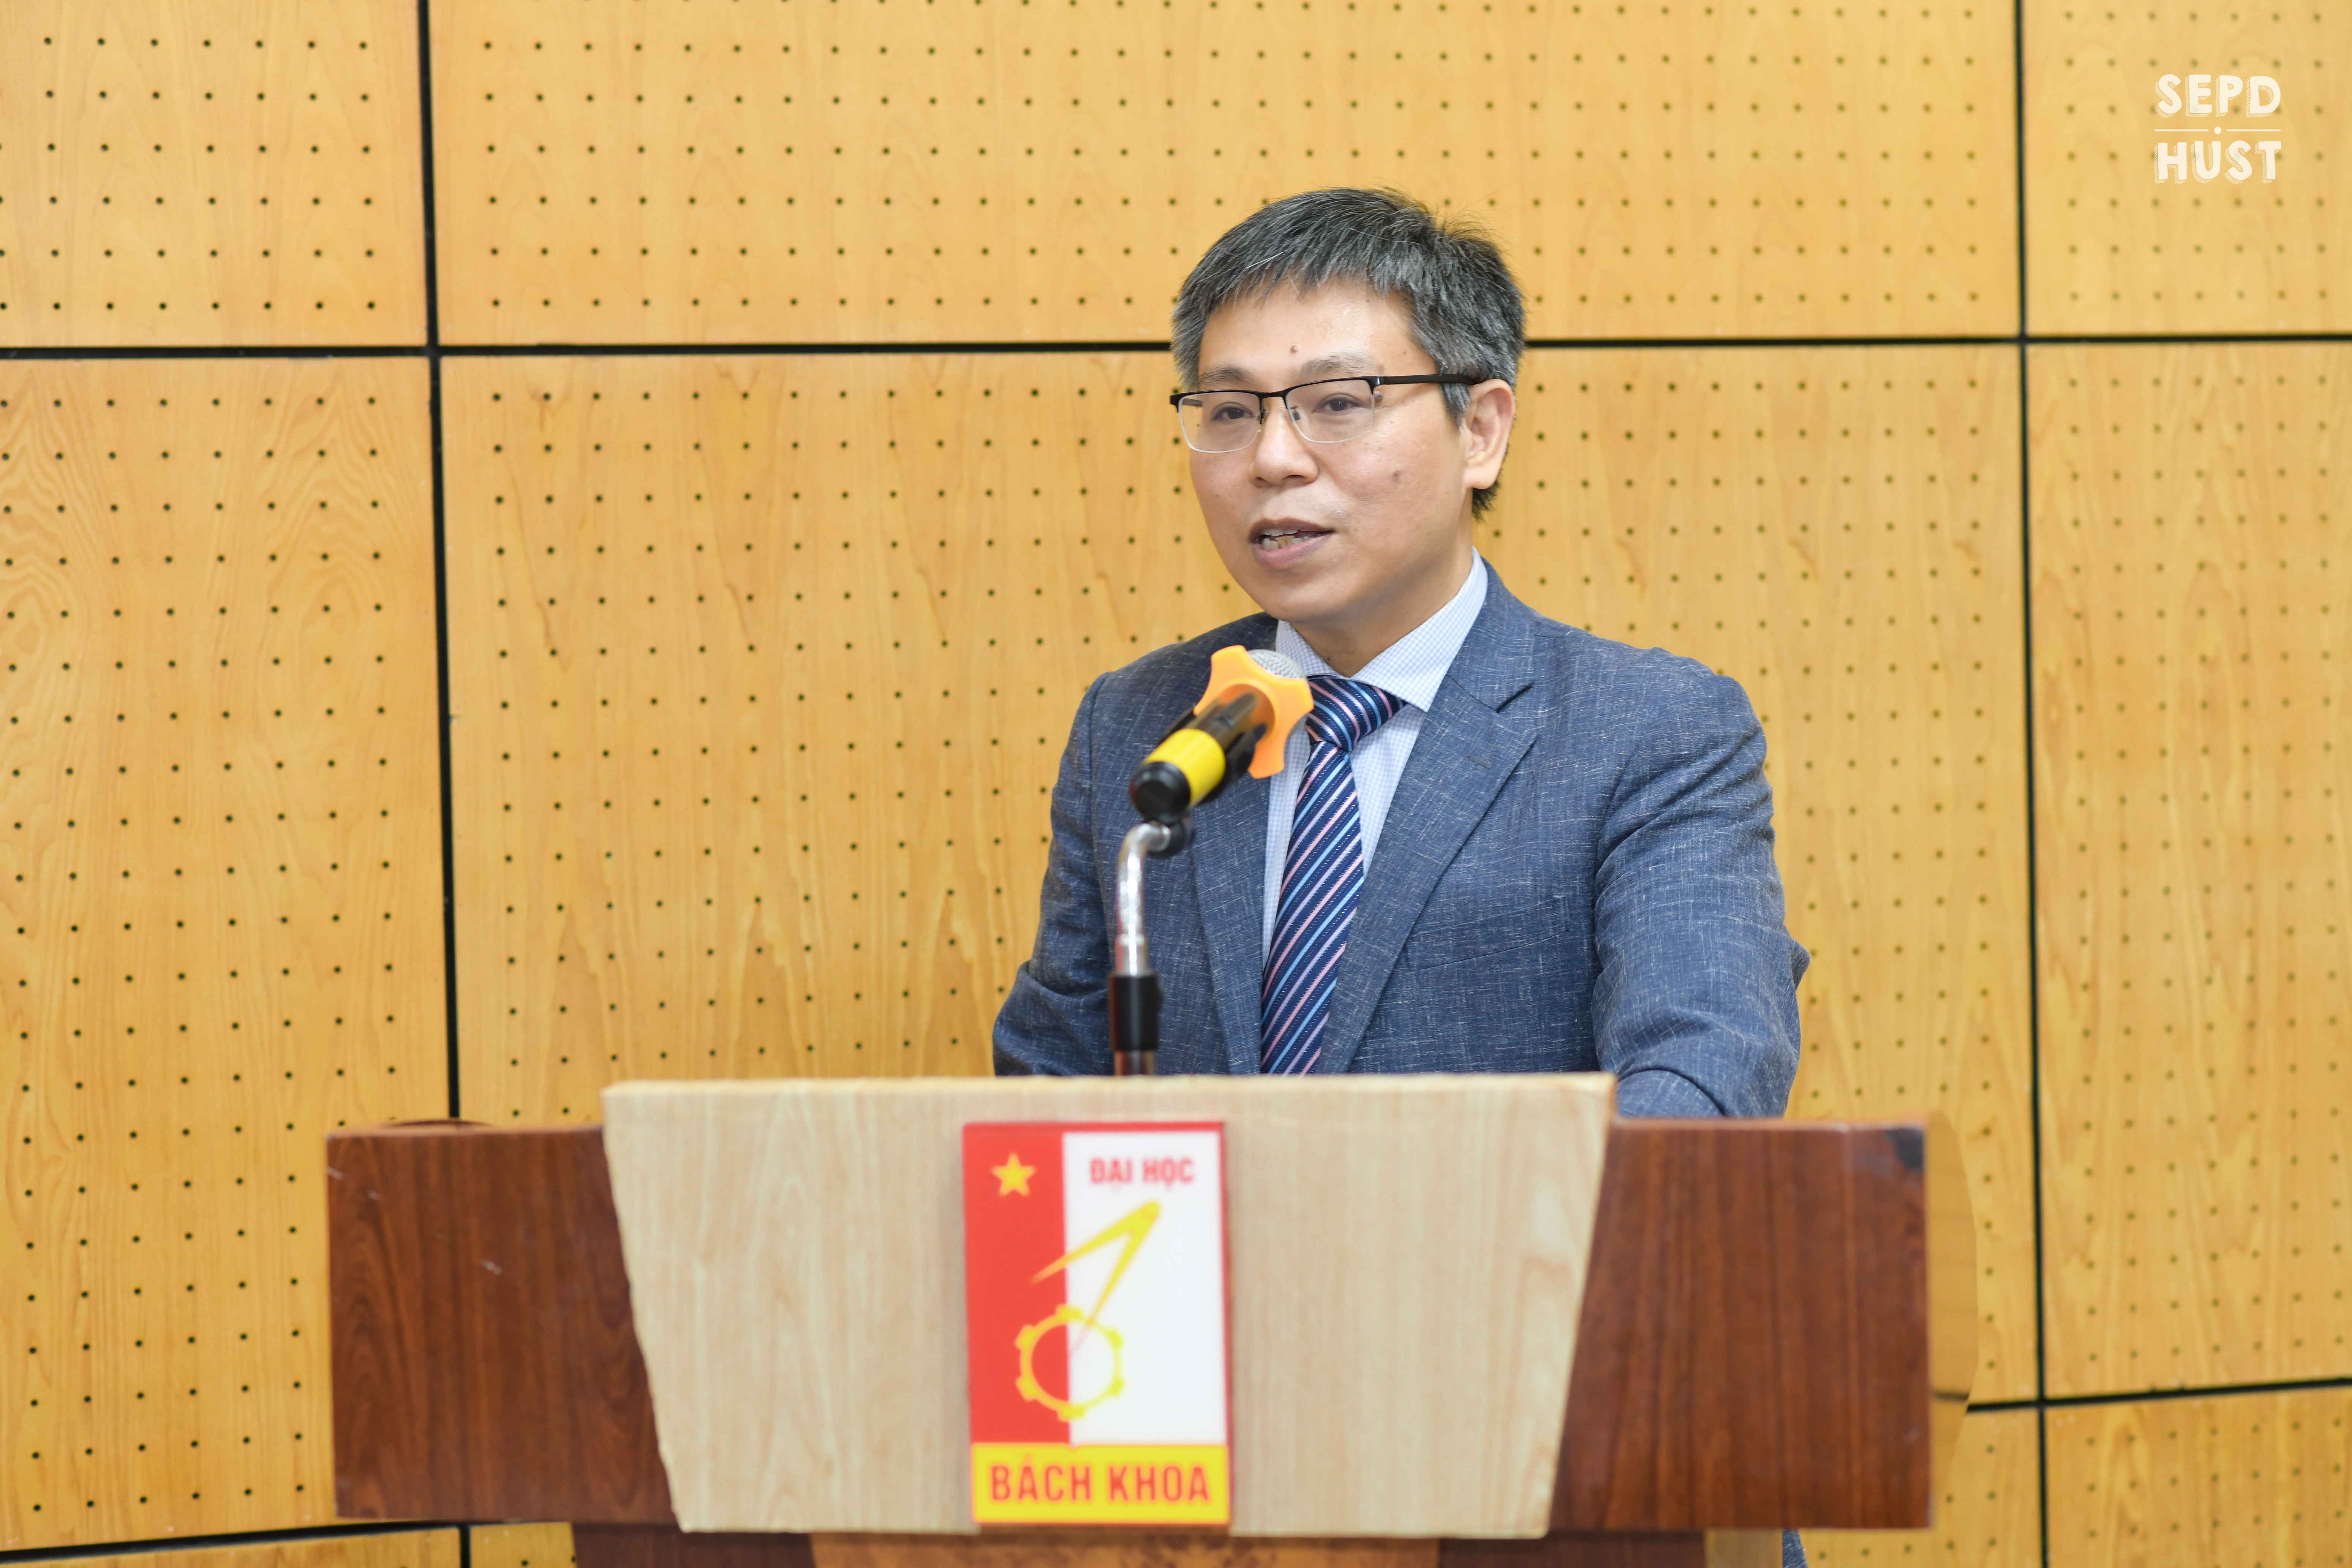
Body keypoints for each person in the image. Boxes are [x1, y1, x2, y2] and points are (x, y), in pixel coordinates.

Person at [997, 186, 1810, 1563]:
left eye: (1338, 403)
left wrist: (1389, 1302)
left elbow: (1702, 1082)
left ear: (1482, 428)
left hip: (1548, 1456)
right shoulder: (1144, 727)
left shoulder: (1649, 729)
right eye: (1228, 411)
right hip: (1212, 1481)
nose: (1273, 460)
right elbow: (1050, 1081)